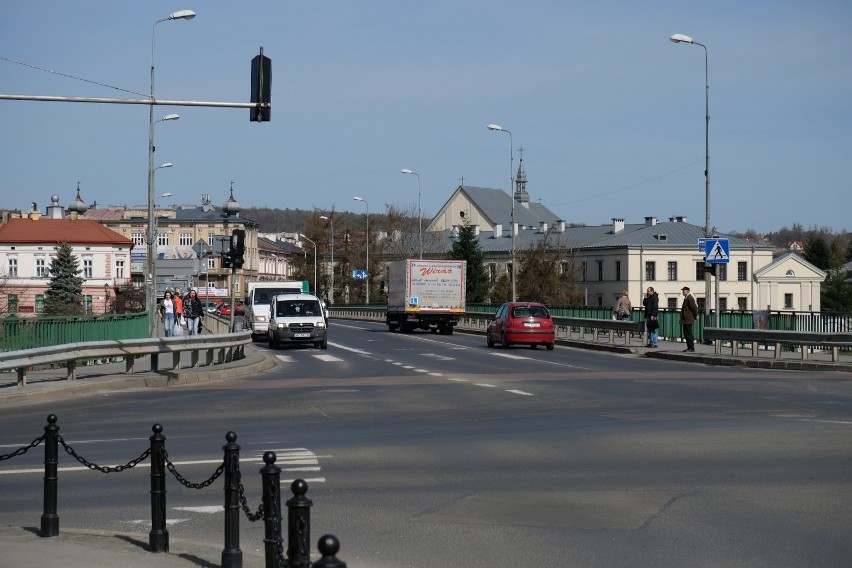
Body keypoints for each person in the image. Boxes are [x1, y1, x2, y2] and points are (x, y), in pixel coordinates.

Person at [680, 286, 699, 352]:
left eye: (684, 291)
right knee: (686, 333)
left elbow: (694, 307)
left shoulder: (690, 298)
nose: (682, 292)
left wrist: (696, 315)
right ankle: (689, 347)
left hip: (688, 319)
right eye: (682, 290)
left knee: (688, 333)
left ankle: (691, 348)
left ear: (687, 291)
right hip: (686, 319)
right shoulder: (686, 298)